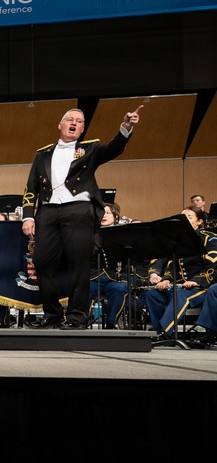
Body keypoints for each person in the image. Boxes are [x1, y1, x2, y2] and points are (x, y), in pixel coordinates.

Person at [21, 105, 141, 329]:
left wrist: (126, 127)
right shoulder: (42, 153)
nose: (74, 123)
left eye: (79, 121)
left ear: (82, 128)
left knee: (78, 265)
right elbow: (31, 188)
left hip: (78, 210)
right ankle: (53, 314)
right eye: (70, 119)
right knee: (41, 261)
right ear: (61, 124)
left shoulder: (90, 149)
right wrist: (28, 217)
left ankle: (76, 317)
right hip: (47, 212)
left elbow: (113, 149)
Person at [142, 206, 217, 343]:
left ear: (200, 221)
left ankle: (164, 333)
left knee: (181, 296)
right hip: (182, 285)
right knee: (153, 295)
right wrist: (165, 279)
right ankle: (159, 331)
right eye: (183, 218)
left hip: (202, 287)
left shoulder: (209, 239)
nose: (185, 220)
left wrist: (196, 281)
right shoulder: (179, 241)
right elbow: (173, 267)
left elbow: (213, 265)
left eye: (190, 217)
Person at [88, 203, 129, 329]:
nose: (103, 216)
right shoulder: (89, 234)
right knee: (82, 289)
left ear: (116, 216)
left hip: (114, 278)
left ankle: (111, 324)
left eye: (108, 213)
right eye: (101, 213)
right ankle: (80, 323)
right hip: (93, 277)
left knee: (120, 288)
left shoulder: (123, 235)